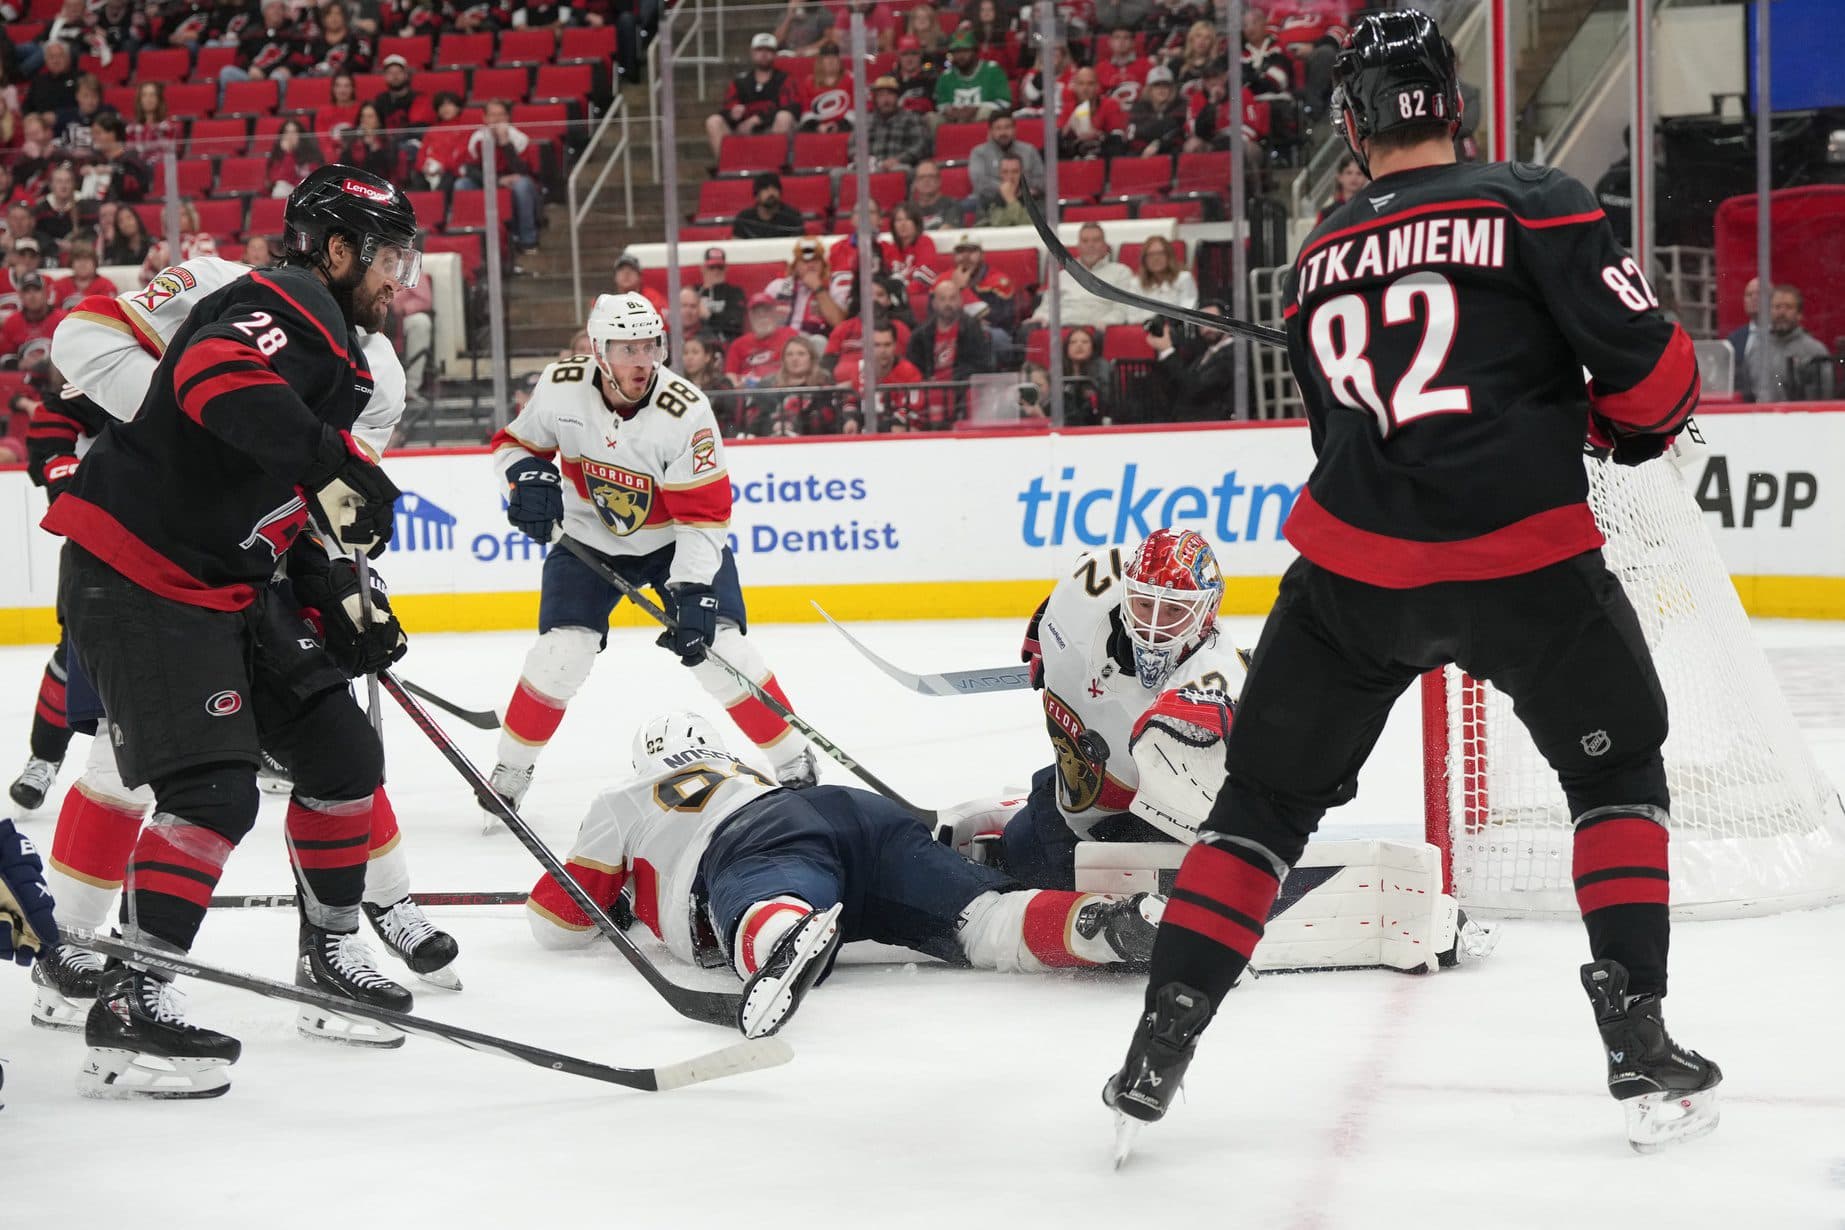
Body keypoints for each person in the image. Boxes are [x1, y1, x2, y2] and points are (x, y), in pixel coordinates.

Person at [1103, 10, 1718, 1158]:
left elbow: (1350, 432)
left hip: (1353, 580)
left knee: (1264, 810)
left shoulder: (1316, 258)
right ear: (1454, 104)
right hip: (1524, 564)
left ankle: (1159, 1045)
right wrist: (1604, 424)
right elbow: (1657, 386)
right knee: (1617, 771)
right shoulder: (1536, 200)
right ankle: (1636, 1036)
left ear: (1352, 124)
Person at [39, 165, 429, 1096]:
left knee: (342, 755)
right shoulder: (290, 302)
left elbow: (272, 490)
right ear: (336, 250)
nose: (399, 280)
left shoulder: (343, 346)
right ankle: (133, 1000)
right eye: (389, 259)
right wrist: (329, 457)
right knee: (213, 794)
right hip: (139, 579)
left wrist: (330, 589)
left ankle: (327, 958)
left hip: (223, 582)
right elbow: (217, 375)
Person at [529, 713, 1161, 1037]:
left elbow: (555, 920)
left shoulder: (626, 796)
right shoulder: (743, 772)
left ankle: (781, 940)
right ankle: (1100, 926)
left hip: (754, 845)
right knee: (983, 921)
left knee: (769, 892)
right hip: (852, 813)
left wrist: (616, 900)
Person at [484, 292, 819, 824]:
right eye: (627, 348)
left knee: (722, 651)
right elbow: (514, 444)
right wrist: (523, 476)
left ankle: (794, 760)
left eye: (650, 346)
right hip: (587, 538)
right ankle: (509, 771)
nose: (642, 360)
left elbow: (704, 517)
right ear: (598, 349)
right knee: (560, 656)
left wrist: (690, 589)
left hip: (671, 545)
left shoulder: (684, 412)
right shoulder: (561, 386)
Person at [906, 278, 994, 429]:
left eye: (952, 298)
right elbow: (912, 368)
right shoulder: (920, 335)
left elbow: (981, 365)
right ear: (934, 303)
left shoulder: (973, 329)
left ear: (960, 301)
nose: (948, 304)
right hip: (929, 389)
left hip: (960, 388)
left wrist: (955, 378)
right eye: (942, 299)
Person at [461, 99, 542, 252]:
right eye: (492, 115)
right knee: (462, 184)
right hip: (489, 181)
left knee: (523, 185)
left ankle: (528, 240)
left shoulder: (519, 138)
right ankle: (468, 233)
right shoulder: (477, 139)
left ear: (508, 118)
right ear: (485, 119)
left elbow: (523, 170)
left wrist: (505, 143)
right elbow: (470, 170)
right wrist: (498, 181)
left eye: (501, 115)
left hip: (515, 182)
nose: (497, 120)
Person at [706, 32, 802, 160]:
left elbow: (793, 108)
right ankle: (727, 168)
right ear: (752, 53)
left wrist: (758, 119)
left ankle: (776, 165)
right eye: (759, 50)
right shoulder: (741, 82)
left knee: (784, 117)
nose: (763, 54)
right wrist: (732, 114)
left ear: (774, 54)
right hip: (743, 130)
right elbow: (727, 108)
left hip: (772, 129)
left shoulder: (784, 79)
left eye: (768, 50)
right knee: (713, 121)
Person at [1031, 222, 1133, 328]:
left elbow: (1121, 310)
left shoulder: (1121, 272)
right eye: (1085, 241)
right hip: (1063, 328)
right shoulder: (1062, 276)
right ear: (1078, 246)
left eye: (1096, 240)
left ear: (1105, 246)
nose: (1090, 245)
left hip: (1097, 331)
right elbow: (1046, 307)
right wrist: (1039, 318)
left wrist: (1100, 327)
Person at [1745, 283, 1831, 402]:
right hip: (1762, 418)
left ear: (1799, 314)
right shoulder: (1756, 348)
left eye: (1788, 307)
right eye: (1777, 307)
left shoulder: (1815, 351)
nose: (1782, 312)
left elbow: (1824, 397)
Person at [742, 334, 840, 436]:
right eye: (789, 354)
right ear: (784, 360)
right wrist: (773, 425)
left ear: (811, 358)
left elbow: (829, 422)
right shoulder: (767, 386)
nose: (795, 359)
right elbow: (754, 422)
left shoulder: (823, 384)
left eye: (801, 354)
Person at [764, 235, 848, 335]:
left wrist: (818, 288)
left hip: (818, 343)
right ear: (796, 265)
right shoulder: (779, 286)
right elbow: (762, 321)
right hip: (782, 341)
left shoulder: (833, 286)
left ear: (823, 264)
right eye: (805, 261)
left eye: (815, 260)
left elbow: (839, 324)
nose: (811, 265)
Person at [934, 29, 1011, 124]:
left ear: (975, 51)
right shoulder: (946, 76)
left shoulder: (992, 70)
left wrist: (977, 108)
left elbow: (1004, 102)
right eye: (956, 52)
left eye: (965, 51)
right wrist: (949, 110)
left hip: (985, 118)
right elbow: (940, 104)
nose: (960, 56)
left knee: (985, 112)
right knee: (932, 117)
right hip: (954, 120)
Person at [968, 113, 1044, 207]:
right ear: (991, 131)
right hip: (989, 202)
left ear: (1015, 129)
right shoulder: (979, 153)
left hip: (1025, 201)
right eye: (998, 128)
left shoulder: (1029, 151)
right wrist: (1006, 189)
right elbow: (979, 182)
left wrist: (1019, 190)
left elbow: (1041, 181)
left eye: (1007, 127)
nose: (1003, 132)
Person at [725, 293, 801, 387]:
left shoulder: (790, 335)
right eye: (756, 312)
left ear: (775, 313)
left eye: (766, 310)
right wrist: (736, 386)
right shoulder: (738, 345)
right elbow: (731, 375)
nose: (762, 315)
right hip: (748, 393)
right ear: (750, 316)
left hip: (782, 388)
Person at [1059, 66, 1129, 160]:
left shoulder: (1110, 105)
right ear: (1075, 86)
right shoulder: (1068, 108)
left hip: (1102, 156)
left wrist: (1098, 135)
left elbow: (1118, 141)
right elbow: (1058, 141)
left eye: (1090, 84)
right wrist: (1067, 129)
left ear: (1097, 86)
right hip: (1074, 157)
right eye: (1081, 84)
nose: (1085, 88)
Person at [866, 74, 931, 172]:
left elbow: (921, 145)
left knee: (902, 170)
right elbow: (853, 146)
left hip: (900, 165)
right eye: (881, 95)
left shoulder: (911, 118)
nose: (886, 100)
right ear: (875, 100)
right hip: (871, 165)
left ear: (897, 97)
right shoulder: (867, 121)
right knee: (838, 173)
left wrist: (899, 159)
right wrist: (867, 160)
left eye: (890, 94)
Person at [1, 271, 65, 365]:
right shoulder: (12, 322)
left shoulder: (62, 320)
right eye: (27, 291)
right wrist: (19, 363)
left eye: (36, 290)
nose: (32, 296)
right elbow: (4, 357)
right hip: (22, 375)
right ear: (20, 296)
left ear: (45, 293)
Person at [1128, 234, 1197, 321]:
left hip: (1177, 331)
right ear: (1144, 260)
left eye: (1160, 253)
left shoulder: (1184, 278)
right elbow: (1132, 318)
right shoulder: (1136, 283)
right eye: (1151, 254)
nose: (1156, 258)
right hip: (1145, 331)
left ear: (1169, 256)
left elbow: (1188, 313)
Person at [1127, 65, 1188, 156]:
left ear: (1172, 89)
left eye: (1165, 85)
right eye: (1156, 85)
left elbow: (1178, 131)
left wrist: (1158, 143)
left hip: (1170, 152)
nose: (1161, 89)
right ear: (1149, 89)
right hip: (1143, 153)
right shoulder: (1138, 108)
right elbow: (1135, 133)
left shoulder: (1180, 105)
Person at [339, 102, 406, 182]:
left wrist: (374, 147)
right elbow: (344, 167)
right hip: (355, 185)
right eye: (362, 116)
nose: (364, 120)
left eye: (370, 117)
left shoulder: (388, 142)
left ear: (379, 121)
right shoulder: (352, 140)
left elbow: (389, 169)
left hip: (381, 186)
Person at [731, 170, 806, 240]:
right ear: (756, 195)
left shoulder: (793, 216)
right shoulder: (744, 219)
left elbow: (798, 246)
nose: (771, 193)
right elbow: (737, 246)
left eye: (774, 188)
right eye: (765, 189)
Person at [798, 41, 854, 133]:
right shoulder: (809, 82)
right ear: (820, 61)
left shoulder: (851, 79)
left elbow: (854, 109)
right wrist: (818, 127)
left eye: (834, 57)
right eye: (826, 57)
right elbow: (806, 111)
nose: (830, 61)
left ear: (839, 60)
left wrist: (839, 125)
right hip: (817, 128)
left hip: (845, 127)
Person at [1060, 325, 1112, 424]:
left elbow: (1106, 399)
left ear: (1092, 346)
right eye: (1073, 342)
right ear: (1066, 348)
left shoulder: (1101, 366)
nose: (1079, 345)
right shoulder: (1059, 369)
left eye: (1085, 342)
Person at [264, 116, 324, 196]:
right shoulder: (277, 155)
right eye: (287, 132)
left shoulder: (311, 154)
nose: (290, 136)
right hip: (288, 193)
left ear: (301, 135)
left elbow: (315, 179)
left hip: (307, 194)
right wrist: (288, 153)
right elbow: (279, 179)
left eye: (294, 132)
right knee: (280, 189)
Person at [696, 246, 746, 341]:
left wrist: (709, 316)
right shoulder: (693, 292)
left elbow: (735, 323)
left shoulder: (735, 293)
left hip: (726, 343)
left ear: (726, 268)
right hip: (696, 343)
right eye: (711, 267)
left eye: (720, 267)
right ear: (703, 268)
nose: (716, 271)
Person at [51, 237, 116, 310]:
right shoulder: (59, 285)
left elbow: (109, 313)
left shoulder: (106, 285)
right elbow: (53, 313)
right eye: (78, 259)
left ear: (95, 263)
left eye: (87, 259)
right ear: (71, 263)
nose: (82, 264)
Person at [124, 81, 179, 162]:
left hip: (159, 171)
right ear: (140, 100)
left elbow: (167, 156)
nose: (148, 99)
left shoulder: (168, 128)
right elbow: (128, 154)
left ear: (159, 99)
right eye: (144, 95)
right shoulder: (130, 129)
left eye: (152, 95)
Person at [978, 152, 1032, 227]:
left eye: (1015, 171)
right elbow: (996, 226)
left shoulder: (1033, 200)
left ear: (1022, 173)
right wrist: (1011, 200)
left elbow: (1031, 226)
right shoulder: (988, 199)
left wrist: (1011, 199)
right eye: (1005, 172)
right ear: (1000, 174)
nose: (1010, 177)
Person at [908, 159, 963, 230]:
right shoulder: (909, 210)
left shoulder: (952, 205)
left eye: (931, 176)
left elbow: (948, 231)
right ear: (915, 183)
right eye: (921, 177)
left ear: (939, 181)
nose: (926, 180)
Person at [1317, 151, 1369, 223]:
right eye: (1349, 173)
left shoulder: (1370, 208)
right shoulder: (1327, 214)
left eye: (1359, 173)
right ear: (1339, 177)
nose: (1354, 178)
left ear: (1366, 178)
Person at [611, 249, 667, 314]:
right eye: (621, 269)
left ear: (640, 277)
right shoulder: (608, 301)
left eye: (632, 269)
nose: (626, 273)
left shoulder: (653, 299)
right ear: (615, 277)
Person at [1725, 276, 1758, 370]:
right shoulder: (1734, 339)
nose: (1754, 298)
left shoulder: (1781, 337)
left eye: (1760, 294)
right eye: (1749, 295)